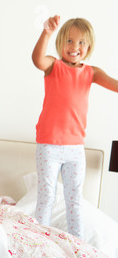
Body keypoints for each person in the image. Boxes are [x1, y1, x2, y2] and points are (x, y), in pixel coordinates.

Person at [32, 15, 118, 238]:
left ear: (89, 46)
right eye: (69, 41)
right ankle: (39, 241)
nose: (75, 47)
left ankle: (77, 244)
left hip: (75, 150)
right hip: (48, 146)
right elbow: (37, 59)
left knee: (75, 200)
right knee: (46, 196)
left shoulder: (92, 73)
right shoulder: (53, 65)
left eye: (81, 42)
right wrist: (46, 32)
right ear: (60, 41)